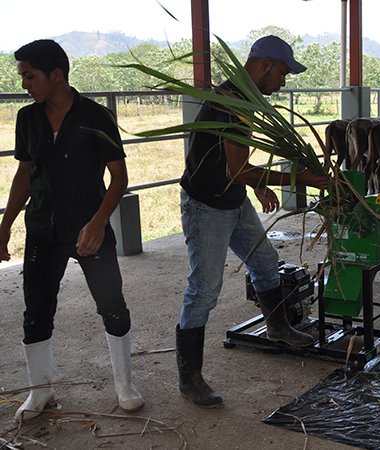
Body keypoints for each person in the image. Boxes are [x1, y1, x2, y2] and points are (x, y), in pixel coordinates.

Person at [176, 35, 330, 408]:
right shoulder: (233, 102)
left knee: (264, 264)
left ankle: (278, 327)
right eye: (282, 72)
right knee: (204, 289)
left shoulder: (243, 99)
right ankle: (190, 377)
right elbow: (240, 168)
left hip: (233, 199)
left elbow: (238, 167)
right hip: (207, 205)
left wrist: (258, 188)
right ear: (263, 65)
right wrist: (301, 179)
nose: (283, 81)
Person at [0, 40, 143, 422]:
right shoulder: (27, 119)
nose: (25, 84)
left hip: (90, 230)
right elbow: (25, 174)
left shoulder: (96, 117)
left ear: (56, 75)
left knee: (112, 306)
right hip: (42, 228)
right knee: (37, 311)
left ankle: (125, 386)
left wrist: (98, 222)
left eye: (29, 76)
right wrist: (5, 225)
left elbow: (119, 178)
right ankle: (40, 391)